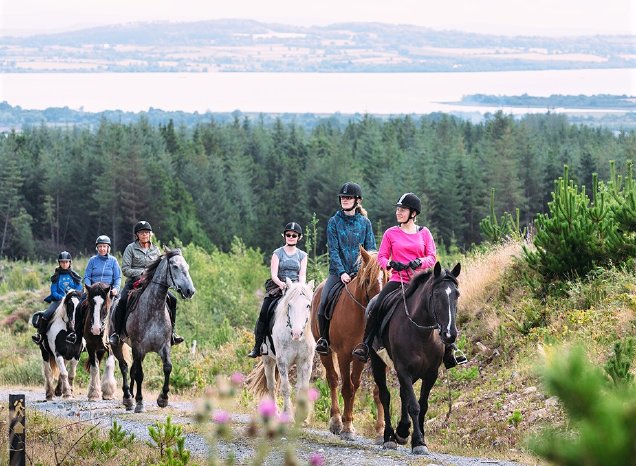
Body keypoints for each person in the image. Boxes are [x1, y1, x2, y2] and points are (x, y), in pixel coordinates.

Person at [351, 193, 467, 368]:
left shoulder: (424, 233)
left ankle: (450, 350)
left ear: (413, 213)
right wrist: (391, 264)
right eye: (398, 209)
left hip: (421, 281)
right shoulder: (391, 233)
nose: (399, 212)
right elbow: (381, 257)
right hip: (398, 280)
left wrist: (419, 261)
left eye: (403, 209)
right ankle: (366, 345)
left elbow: (431, 257)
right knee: (375, 305)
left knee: (443, 302)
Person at [314, 182, 377, 356]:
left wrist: (361, 272)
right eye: (343, 197)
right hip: (337, 273)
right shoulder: (334, 222)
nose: (345, 200)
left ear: (357, 200)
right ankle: (324, 339)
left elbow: (371, 250)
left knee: (376, 301)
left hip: (360, 273)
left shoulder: (365, 223)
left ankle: (376, 342)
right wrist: (341, 272)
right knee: (323, 302)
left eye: (348, 197)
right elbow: (333, 250)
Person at [108, 221, 184, 346]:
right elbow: (126, 269)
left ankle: (172, 333)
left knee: (173, 300)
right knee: (122, 301)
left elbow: (161, 268)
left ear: (150, 234)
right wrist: (141, 273)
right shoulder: (130, 248)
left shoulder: (155, 249)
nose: (144, 235)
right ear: (137, 235)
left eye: (147, 233)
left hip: (153, 284)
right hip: (134, 282)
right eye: (142, 233)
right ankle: (117, 333)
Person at [247, 222, 308, 358]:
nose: (291, 237)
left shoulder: (303, 255)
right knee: (264, 312)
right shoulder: (277, 253)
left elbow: (302, 274)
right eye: (288, 235)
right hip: (279, 287)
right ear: (284, 236)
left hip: (296, 289)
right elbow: (274, 274)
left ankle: (313, 343)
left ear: (299, 237)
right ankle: (258, 346)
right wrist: (282, 284)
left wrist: (298, 288)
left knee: (309, 309)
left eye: (294, 235)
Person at [31, 251, 83, 345]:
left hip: (73, 300)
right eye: (62, 262)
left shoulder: (75, 275)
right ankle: (40, 335)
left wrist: (71, 297)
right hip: (58, 301)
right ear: (59, 263)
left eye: (66, 262)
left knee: (83, 314)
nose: (64, 264)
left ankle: (83, 338)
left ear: (70, 262)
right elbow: (54, 292)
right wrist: (63, 298)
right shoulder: (56, 276)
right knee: (47, 314)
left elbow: (79, 289)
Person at [77, 235, 121, 343]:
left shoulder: (113, 261)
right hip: (93, 292)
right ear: (97, 248)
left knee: (121, 306)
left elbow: (117, 277)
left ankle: (119, 333)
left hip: (108, 292)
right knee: (79, 306)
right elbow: (87, 276)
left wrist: (116, 288)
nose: (102, 248)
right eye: (100, 246)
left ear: (108, 248)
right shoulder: (92, 260)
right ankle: (78, 334)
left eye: (104, 246)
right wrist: (88, 288)